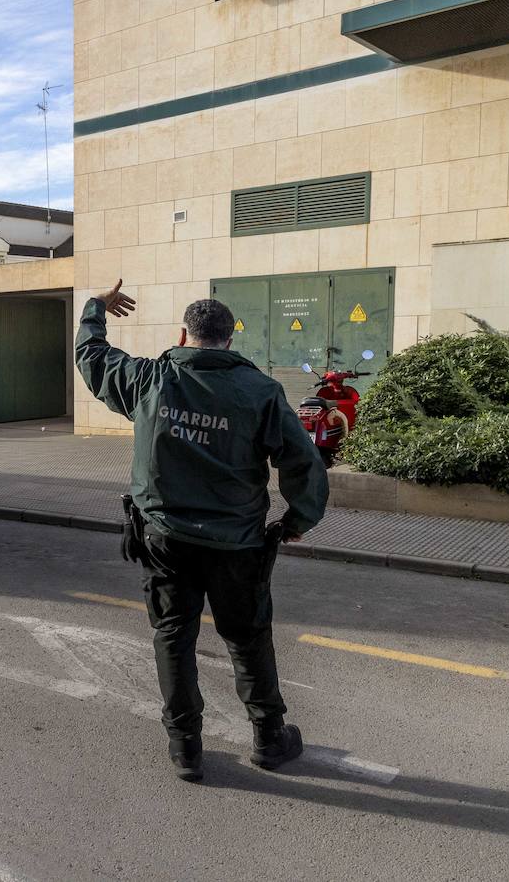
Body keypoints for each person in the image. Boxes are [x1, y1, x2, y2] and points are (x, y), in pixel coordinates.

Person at [76, 280, 328, 783]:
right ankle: (268, 738)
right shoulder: (260, 391)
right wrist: (298, 519)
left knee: (173, 635)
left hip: (166, 539)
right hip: (237, 543)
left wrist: (95, 307)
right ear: (229, 340)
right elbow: (302, 461)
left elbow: (92, 356)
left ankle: (185, 746)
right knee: (247, 636)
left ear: (183, 336)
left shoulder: (149, 379)